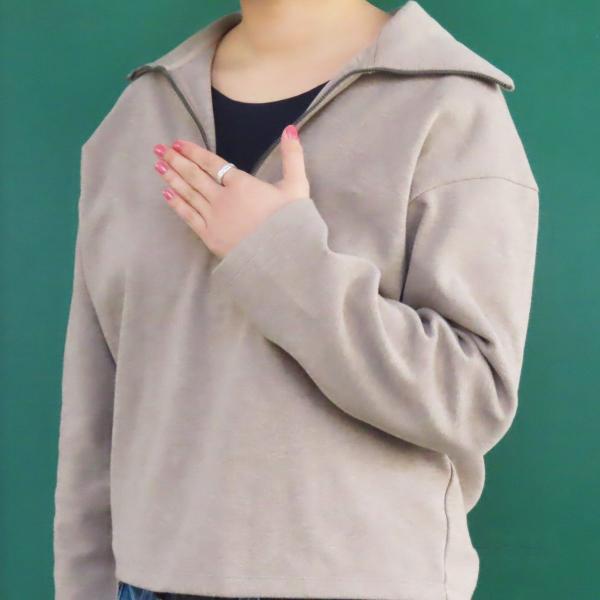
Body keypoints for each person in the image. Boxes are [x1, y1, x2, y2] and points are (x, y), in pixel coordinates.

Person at [53, 1, 540, 599]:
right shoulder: (136, 118)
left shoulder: (449, 106)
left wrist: (279, 257)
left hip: (359, 583)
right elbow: (97, 404)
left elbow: (472, 399)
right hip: (148, 583)